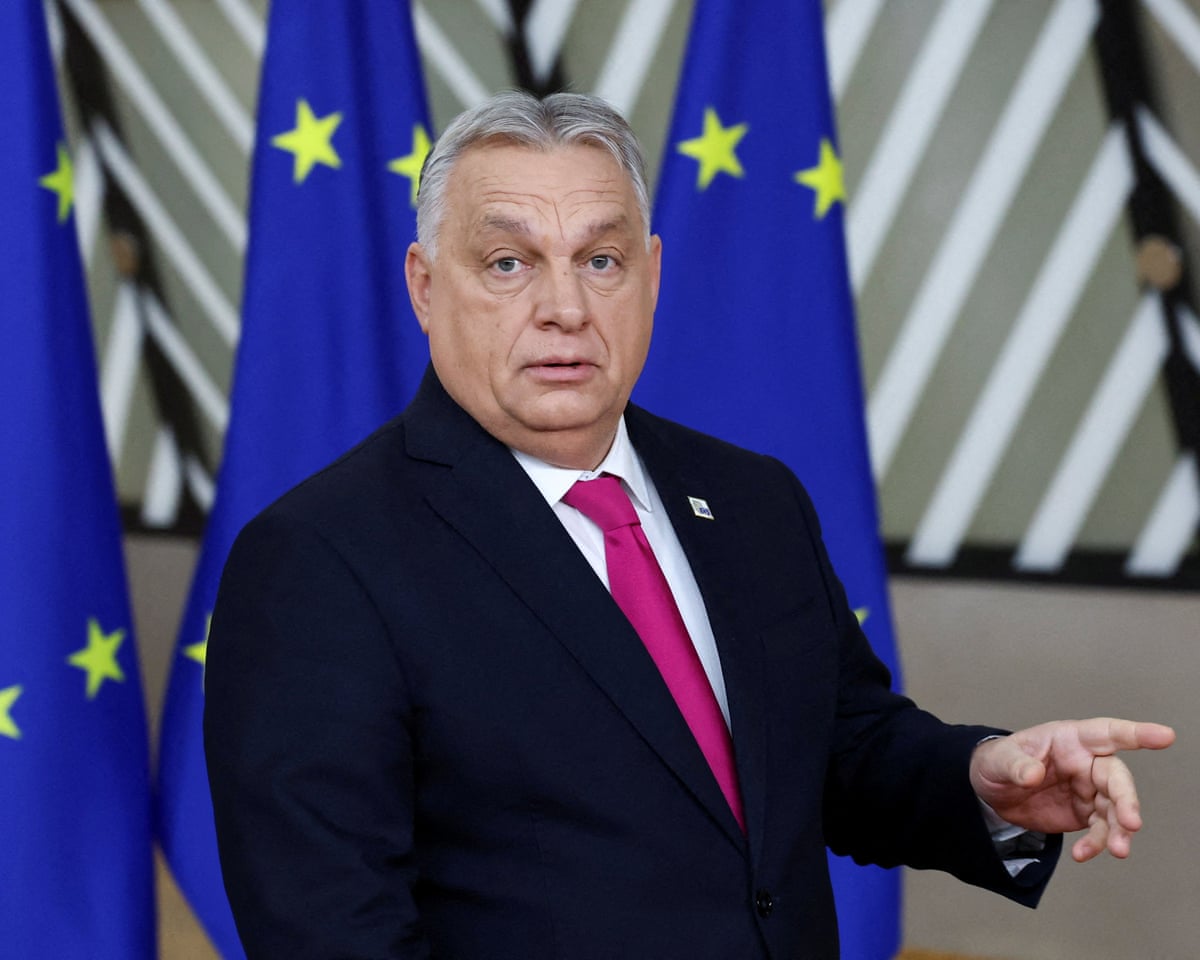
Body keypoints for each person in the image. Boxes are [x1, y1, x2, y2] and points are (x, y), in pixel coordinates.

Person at [204, 91, 1175, 960]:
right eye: (508, 263)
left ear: (652, 274)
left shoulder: (752, 499)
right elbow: (333, 929)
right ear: (425, 284)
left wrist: (981, 780)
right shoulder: (320, 559)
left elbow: (838, 749)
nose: (565, 308)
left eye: (601, 259)